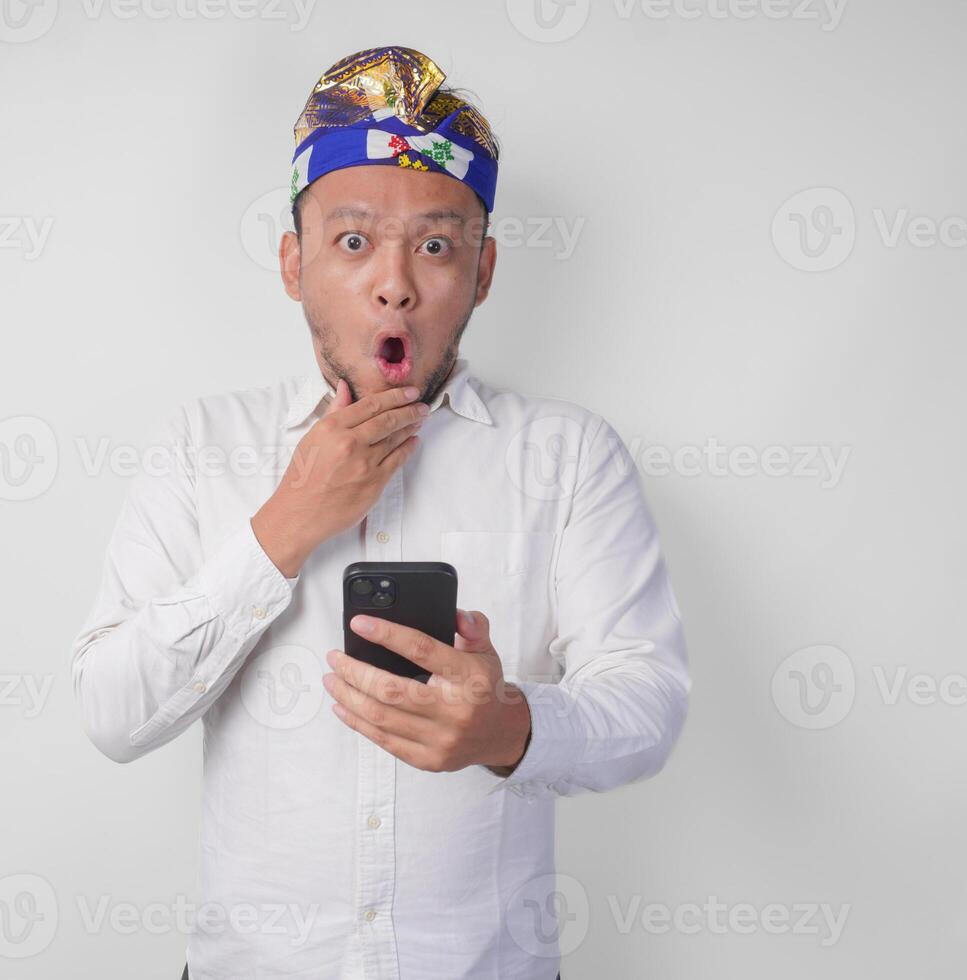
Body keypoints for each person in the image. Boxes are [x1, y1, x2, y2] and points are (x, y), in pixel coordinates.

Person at [72, 45, 690, 980]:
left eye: (436, 245)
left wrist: (508, 729)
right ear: (295, 264)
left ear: (481, 273)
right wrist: (286, 524)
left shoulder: (568, 459)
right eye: (353, 241)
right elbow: (114, 713)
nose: (394, 283)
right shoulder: (202, 448)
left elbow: (648, 703)